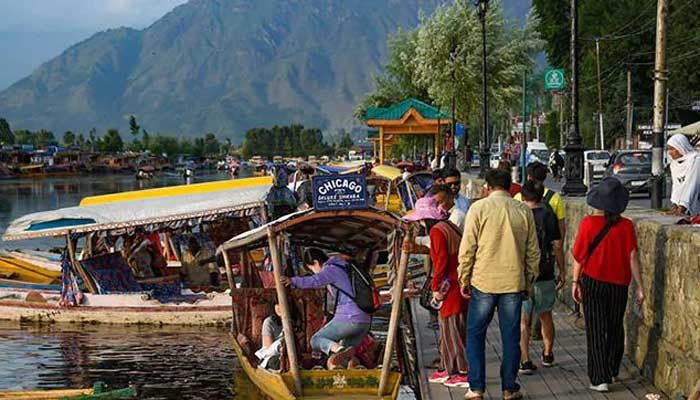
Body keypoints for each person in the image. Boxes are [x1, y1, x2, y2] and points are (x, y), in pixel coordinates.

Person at [458, 168, 540, 400]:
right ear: (509, 186)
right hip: (513, 283)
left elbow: (468, 249)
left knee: (475, 335)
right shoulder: (523, 210)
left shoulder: (479, 208)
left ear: (488, 187)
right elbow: (533, 252)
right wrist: (528, 280)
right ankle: (508, 388)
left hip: (483, 281)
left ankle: (476, 387)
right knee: (511, 337)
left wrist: (463, 277)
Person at [571, 177, 645, 392]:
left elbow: (579, 256)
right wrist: (640, 286)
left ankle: (599, 378)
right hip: (619, 284)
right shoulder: (627, 226)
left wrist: (575, 281)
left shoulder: (588, 224)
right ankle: (612, 368)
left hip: (593, 281)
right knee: (615, 326)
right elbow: (633, 257)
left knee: (595, 329)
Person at [405, 195, 469, 388]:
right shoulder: (449, 227)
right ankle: (448, 367)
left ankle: (461, 371)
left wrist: (435, 288)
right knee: (451, 330)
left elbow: (440, 262)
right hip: (457, 283)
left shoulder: (437, 232)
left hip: (450, 287)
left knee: (452, 331)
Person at [281, 248, 370, 370]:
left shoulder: (331, 269)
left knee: (316, 340)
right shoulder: (345, 267)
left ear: (316, 262)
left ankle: (340, 349)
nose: (314, 272)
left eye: (312, 269)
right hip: (364, 320)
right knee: (343, 360)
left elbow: (315, 281)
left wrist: (292, 280)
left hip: (350, 318)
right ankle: (348, 377)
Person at [518, 181, 565, 375]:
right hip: (545, 272)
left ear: (523, 197)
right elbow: (557, 245)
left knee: (523, 320)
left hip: (523, 273)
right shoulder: (548, 215)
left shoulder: (519, 215)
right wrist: (561, 270)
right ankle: (547, 354)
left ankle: (525, 360)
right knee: (546, 314)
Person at [666, 134, 700, 216]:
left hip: (695, 206)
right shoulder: (674, 164)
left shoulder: (695, 160)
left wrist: (682, 208)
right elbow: (676, 186)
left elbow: (692, 184)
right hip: (683, 209)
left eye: (672, 149)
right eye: (668, 149)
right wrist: (674, 206)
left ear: (680, 147)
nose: (669, 152)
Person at [256, 299, 284, 370]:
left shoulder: (294, 322)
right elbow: (269, 347)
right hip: (272, 355)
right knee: (277, 362)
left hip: (289, 353)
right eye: (277, 304)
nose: (278, 307)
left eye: (282, 304)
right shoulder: (269, 322)